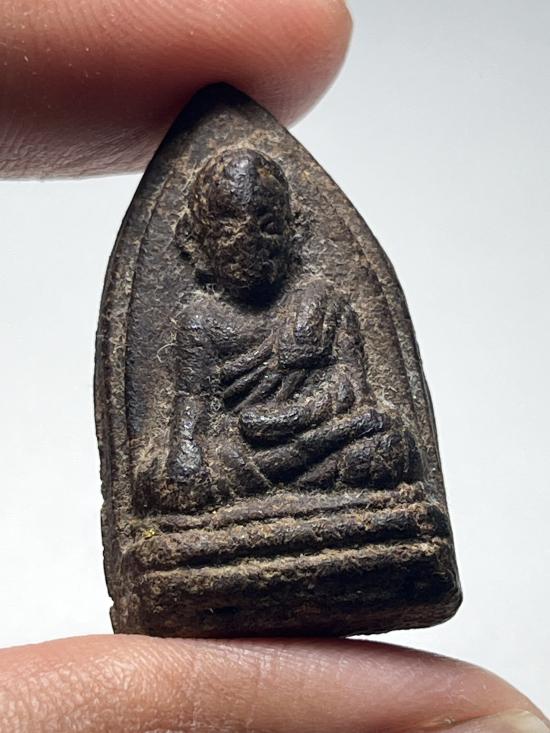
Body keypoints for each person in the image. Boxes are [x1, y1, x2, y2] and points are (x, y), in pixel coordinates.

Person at [0, 2, 547, 731]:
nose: (249, 240)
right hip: (245, 460)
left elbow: (352, 391)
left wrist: (295, 422)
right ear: (197, 239)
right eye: (230, 224)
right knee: (169, 479)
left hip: (312, 442)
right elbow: (191, 423)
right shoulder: (200, 318)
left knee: (388, 440)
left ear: (292, 231)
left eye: (266, 223)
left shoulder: (321, 299)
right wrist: (202, 455)